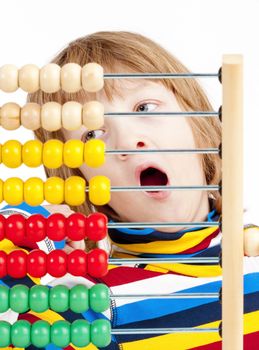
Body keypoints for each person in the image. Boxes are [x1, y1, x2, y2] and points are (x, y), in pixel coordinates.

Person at [0, 31, 258, 350]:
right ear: (80, 181)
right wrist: (27, 224)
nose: (128, 141)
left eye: (144, 108)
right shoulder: (93, 309)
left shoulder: (254, 253)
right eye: (92, 133)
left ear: (196, 121)